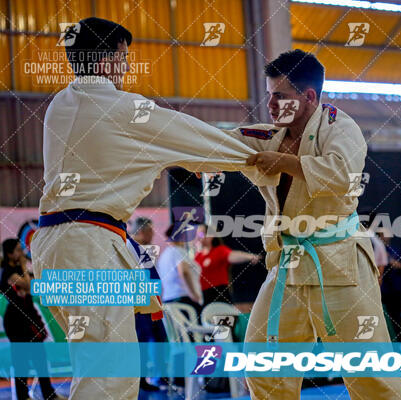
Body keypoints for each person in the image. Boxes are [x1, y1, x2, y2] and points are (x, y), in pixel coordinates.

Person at [30, 17, 276, 400]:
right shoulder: (124, 109)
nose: (127, 67)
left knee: (98, 366)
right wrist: (270, 147)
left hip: (56, 245)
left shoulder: (59, 105)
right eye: (124, 57)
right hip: (89, 246)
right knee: (109, 378)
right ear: (106, 60)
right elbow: (203, 140)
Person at [226, 50, 401, 399]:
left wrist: (283, 162)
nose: (270, 103)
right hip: (288, 264)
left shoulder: (340, 126)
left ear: (308, 96)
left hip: (339, 261)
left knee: (370, 373)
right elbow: (219, 142)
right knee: (262, 365)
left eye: (279, 95)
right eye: (269, 94)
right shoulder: (269, 136)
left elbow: (343, 174)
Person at [1, 239, 66, 400]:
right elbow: (29, 286)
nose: (21, 253)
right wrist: (24, 264)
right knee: (21, 360)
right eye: (17, 250)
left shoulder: (17, 269)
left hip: (28, 316)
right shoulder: (8, 272)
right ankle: (23, 396)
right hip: (16, 321)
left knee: (40, 358)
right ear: (9, 253)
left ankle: (48, 394)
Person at [131, 217, 168, 392]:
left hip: (150, 301)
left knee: (159, 339)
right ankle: (141, 381)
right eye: (151, 231)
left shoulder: (140, 249)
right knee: (142, 343)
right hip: (141, 304)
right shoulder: (131, 247)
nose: (153, 235)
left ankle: (159, 376)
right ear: (142, 231)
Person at [195, 232, 261, 305]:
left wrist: (250, 257)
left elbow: (232, 255)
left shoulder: (219, 250)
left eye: (201, 234)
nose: (198, 237)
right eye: (197, 234)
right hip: (203, 297)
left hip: (219, 294)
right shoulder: (197, 257)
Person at [156, 225, 203, 320]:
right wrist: (193, 294)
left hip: (169, 300)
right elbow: (184, 272)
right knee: (193, 333)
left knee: (178, 333)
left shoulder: (164, 255)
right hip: (183, 300)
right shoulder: (179, 251)